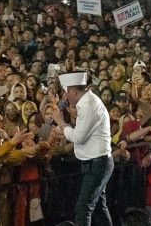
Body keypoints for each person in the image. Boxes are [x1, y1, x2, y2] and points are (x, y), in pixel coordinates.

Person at [51, 71, 114, 226]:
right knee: (98, 207)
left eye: (66, 92)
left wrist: (61, 123)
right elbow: (81, 134)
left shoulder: (88, 105)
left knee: (83, 209)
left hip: (97, 163)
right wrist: (65, 130)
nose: (65, 97)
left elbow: (79, 138)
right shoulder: (87, 102)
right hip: (95, 162)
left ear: (72, 90)